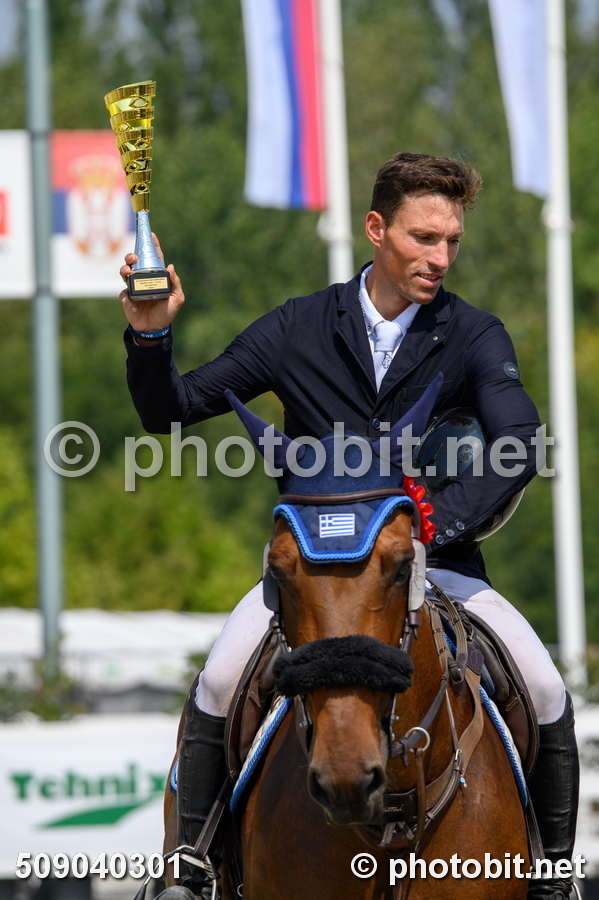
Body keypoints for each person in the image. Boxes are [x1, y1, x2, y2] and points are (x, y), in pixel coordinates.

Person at [120, 153, 579, 900]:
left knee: (546, 688)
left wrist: (429, 527)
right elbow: (169, 409)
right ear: (375, 229)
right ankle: (189, 871)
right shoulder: (298, 325)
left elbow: (520, 442)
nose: (440, 258)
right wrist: (149, 338)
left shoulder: (472, 333)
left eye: (451, 242)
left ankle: (554, 880)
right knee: (219, 680)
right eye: (423, 238)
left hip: (432, 565)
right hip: (314, 576)